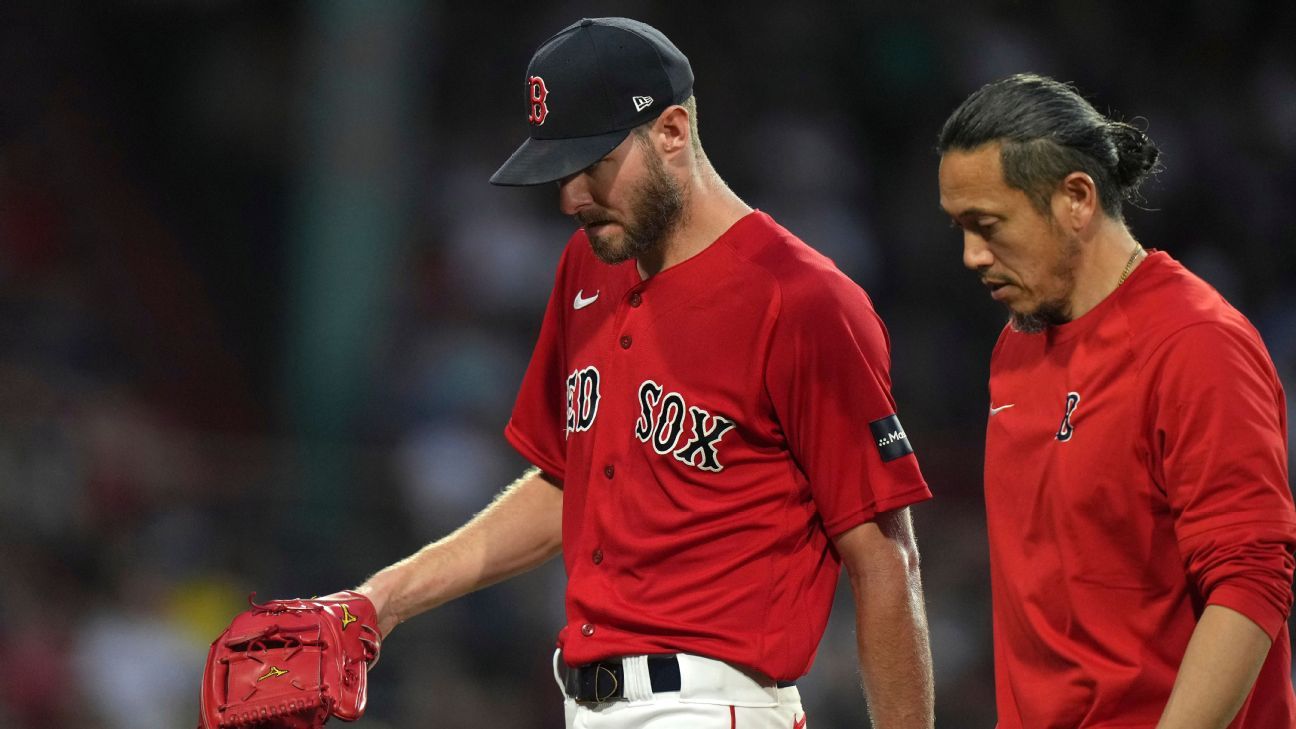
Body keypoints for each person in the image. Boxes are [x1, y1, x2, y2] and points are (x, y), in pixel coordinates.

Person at [356, 16, 935, 729]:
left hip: (713, 699)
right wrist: (382, 598)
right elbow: (564, 486)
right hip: (584, 703)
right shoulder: (585, 266)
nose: (569, 197)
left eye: (591, 165)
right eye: (559, 172)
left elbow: (884, 561)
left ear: (671, 130)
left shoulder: (805, 301)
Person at [937, 73, 1296, 729]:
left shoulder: (1195, 342)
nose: (971, 255)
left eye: (986, 225)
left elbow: (1251, 585)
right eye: (959, 228)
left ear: (1076, 197)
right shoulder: (1015, 347)